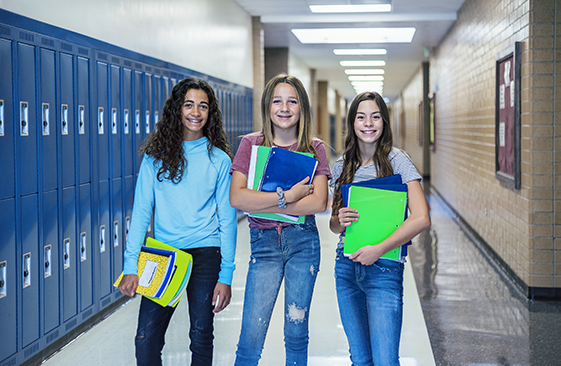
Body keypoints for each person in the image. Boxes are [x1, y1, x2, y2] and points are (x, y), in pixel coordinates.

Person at [117, 78, 237, 366]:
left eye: (203, 106)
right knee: (146, 338)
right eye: (189, 104)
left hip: (206, 253)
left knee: (201, 334)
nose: (196, 112)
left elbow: (228, 220)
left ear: (210, 113)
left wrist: (226, 275)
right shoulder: (155, 158)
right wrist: (130, 266)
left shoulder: (219, 160)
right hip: (163, 254)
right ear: (177, 109)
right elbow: (142, 212)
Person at [229, 74, 332, 366]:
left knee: (296, 332)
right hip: (264, 248)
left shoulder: (314, 149)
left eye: (292, 101)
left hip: (303, 244)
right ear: (267, 106)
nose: (284, 108)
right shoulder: (251, 145)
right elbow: (237, 198)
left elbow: (319, 202)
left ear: (302, 108)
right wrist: (288, 197)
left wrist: (262, 200)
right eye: (277, 100)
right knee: (251, 336)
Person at [329, 91, 431, 366]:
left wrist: (379, 249)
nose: (368, 123)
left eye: (375, 116)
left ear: (384, 122)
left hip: (384, 268)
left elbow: (421, 217)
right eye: (361, 117)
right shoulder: (342, 165)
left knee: (385, 360)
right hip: (347, 268)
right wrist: (341, 218)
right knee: (360, 359)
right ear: (352, 123)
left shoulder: (398, 160)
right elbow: (334, 226)